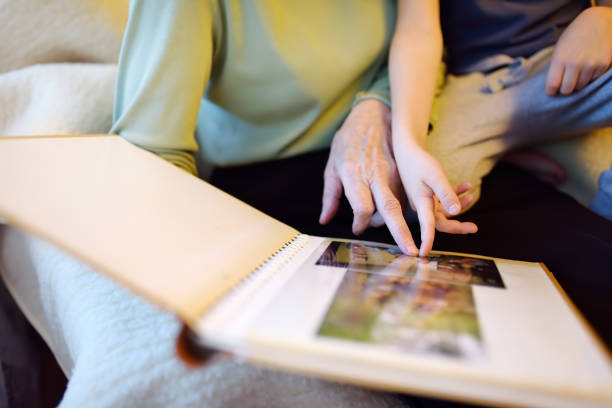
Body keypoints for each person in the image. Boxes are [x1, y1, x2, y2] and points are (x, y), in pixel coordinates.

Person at [323, 0, 612, 257]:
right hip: (473, 86)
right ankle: (512, 145)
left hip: (569, 65)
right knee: (413, 203)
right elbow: (418, 29)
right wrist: (407, 145)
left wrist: (605, 16)